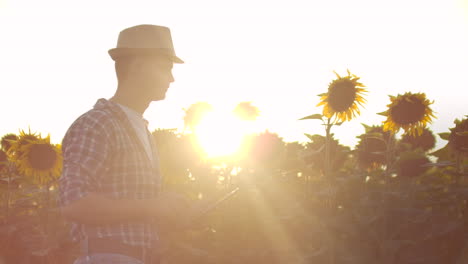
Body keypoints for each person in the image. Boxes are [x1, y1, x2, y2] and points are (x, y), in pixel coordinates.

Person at [58, 24, 189, 264]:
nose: (171, 78)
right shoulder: (97, 123)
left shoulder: (141, 129)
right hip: (106, 257)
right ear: (138, 66)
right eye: (165, 68)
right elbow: (74, 203)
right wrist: (154, 207)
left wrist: (170, 213)